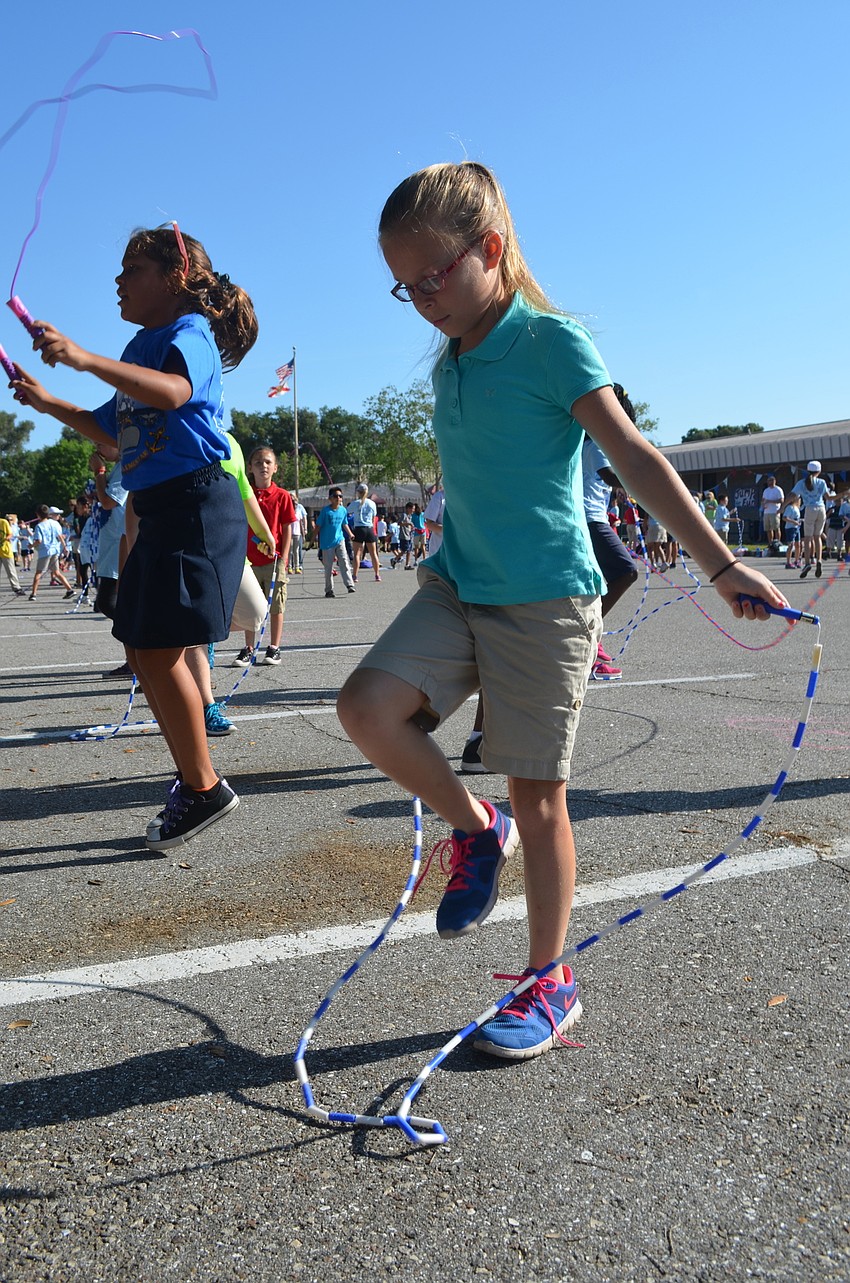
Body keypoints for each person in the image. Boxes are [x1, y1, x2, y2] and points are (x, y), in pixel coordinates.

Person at [337, 160, 786, 1061]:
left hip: (544, 601)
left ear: (490, 249)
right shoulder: (452, 357)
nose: (422, 298)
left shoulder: (551, 341)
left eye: (434, 276)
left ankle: (551, 980)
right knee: (364, 707)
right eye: (404, 285)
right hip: (459, 585)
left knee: (540, 796)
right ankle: (473, 829)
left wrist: (722, 563)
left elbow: (636, 455)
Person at [10, 223, 258, 851]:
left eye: (131, 270)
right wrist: (46, 402)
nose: (117, 282)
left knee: (161, 648)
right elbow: (109, 428)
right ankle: (196, 784)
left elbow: (173, 394)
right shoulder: (141, 344)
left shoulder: (188, 335)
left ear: (175, 277)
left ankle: (204, 789)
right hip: (157, 507)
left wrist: (84, 358)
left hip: (198, 505)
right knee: (146, 652)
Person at [581, 384, 640, 679]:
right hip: (590, 521)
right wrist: (628, 483)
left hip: (590, 520)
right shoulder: (595, 444)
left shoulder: (583, 444)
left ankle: (588, 638)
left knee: (594, 585)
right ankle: (586, 634)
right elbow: (608, 475)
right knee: (626, 571)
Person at [234, 446, 293, 667]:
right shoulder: (244, 493)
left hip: (274, 561)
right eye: (258, 462)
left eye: (268, 462)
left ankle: (274, 647)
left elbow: (287, 527)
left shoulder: (282, 496)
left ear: (275, 468)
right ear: (249, 467)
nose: (263, 466)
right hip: (248, 560)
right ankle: (248, 648)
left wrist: (284, 558)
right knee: (250, 606)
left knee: (276, 605)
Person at [788, 461, 828, 578]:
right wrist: (843, 494)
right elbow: (829, 497)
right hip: (821, 509)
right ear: (819, 471)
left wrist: (782, 507)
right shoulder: (822, 482)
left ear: (807, 470)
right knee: (818, 536)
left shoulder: (802, 483)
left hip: (810, 509)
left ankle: (807, 563)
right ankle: (819, 559)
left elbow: (792, 495)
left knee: (807, 538)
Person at [315, 486, 356, 596]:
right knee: (328, 568)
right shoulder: (325, 511)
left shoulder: (343, 510)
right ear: (330, 498)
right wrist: (312, 538)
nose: (338, 498)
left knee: (344, 561)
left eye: (340, 496)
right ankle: (329, 590)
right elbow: (318, 526)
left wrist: (350, 534)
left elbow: (344, 523)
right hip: (327, 543)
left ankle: (349, 584)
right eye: (335, 496)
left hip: (339, 540)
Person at [28, 504, 74, 599]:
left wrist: (31, 545)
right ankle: (69, 589)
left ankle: (33, 594)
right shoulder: (55, 523)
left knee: (39, 572)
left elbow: (39, 541)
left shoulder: (39, 526)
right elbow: (60, 536)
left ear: (38, 515)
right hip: (55, 550)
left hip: (45, 551)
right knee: (56, 572)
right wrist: (64, 547)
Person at [347, 482, 383, 582]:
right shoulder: (372, 503)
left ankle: (355, 575)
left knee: (357, 554)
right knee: (373, 553)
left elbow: (347, 512)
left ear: (359, 492)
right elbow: (373, 517)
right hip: (369, 529)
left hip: (359, 528)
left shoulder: (355, 503)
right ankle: (377, 574)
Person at [0, 513, 25, 595]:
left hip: (5, 550)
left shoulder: (3, 522)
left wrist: (6, 538)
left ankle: (16, 588)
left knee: (11, 570)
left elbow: (10, 534)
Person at [759, 475, 784, 551]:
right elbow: (763, 500)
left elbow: (781, 500)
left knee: (776, 528)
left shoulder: (778, 489)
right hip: (767, 511)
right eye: (769, 481)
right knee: (768, 529)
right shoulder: (766, 490)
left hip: (775, 511)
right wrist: (763, 504)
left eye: (771, 481)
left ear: (774, 481)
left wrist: (770, 501)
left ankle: (778, 542)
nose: (770, 482)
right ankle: (770, 543)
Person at [289, 492, 307, 573]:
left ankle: (297, 567)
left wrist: (304, 530)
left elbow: (303, 519)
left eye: (293, 497)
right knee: (289, 551)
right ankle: (289, 567)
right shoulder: (287, 506)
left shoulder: (299, 508)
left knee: (296, 550)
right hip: (289, 533)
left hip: (297, 532)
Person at [782, 497, 801, 570]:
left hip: (797, 528)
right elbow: (785, 518)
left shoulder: (797, 508)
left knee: (798, 544)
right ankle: (788, 562)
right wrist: (793, 522)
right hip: (790, 528)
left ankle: (796, 560)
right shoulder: (789, 508)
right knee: (791, 545)